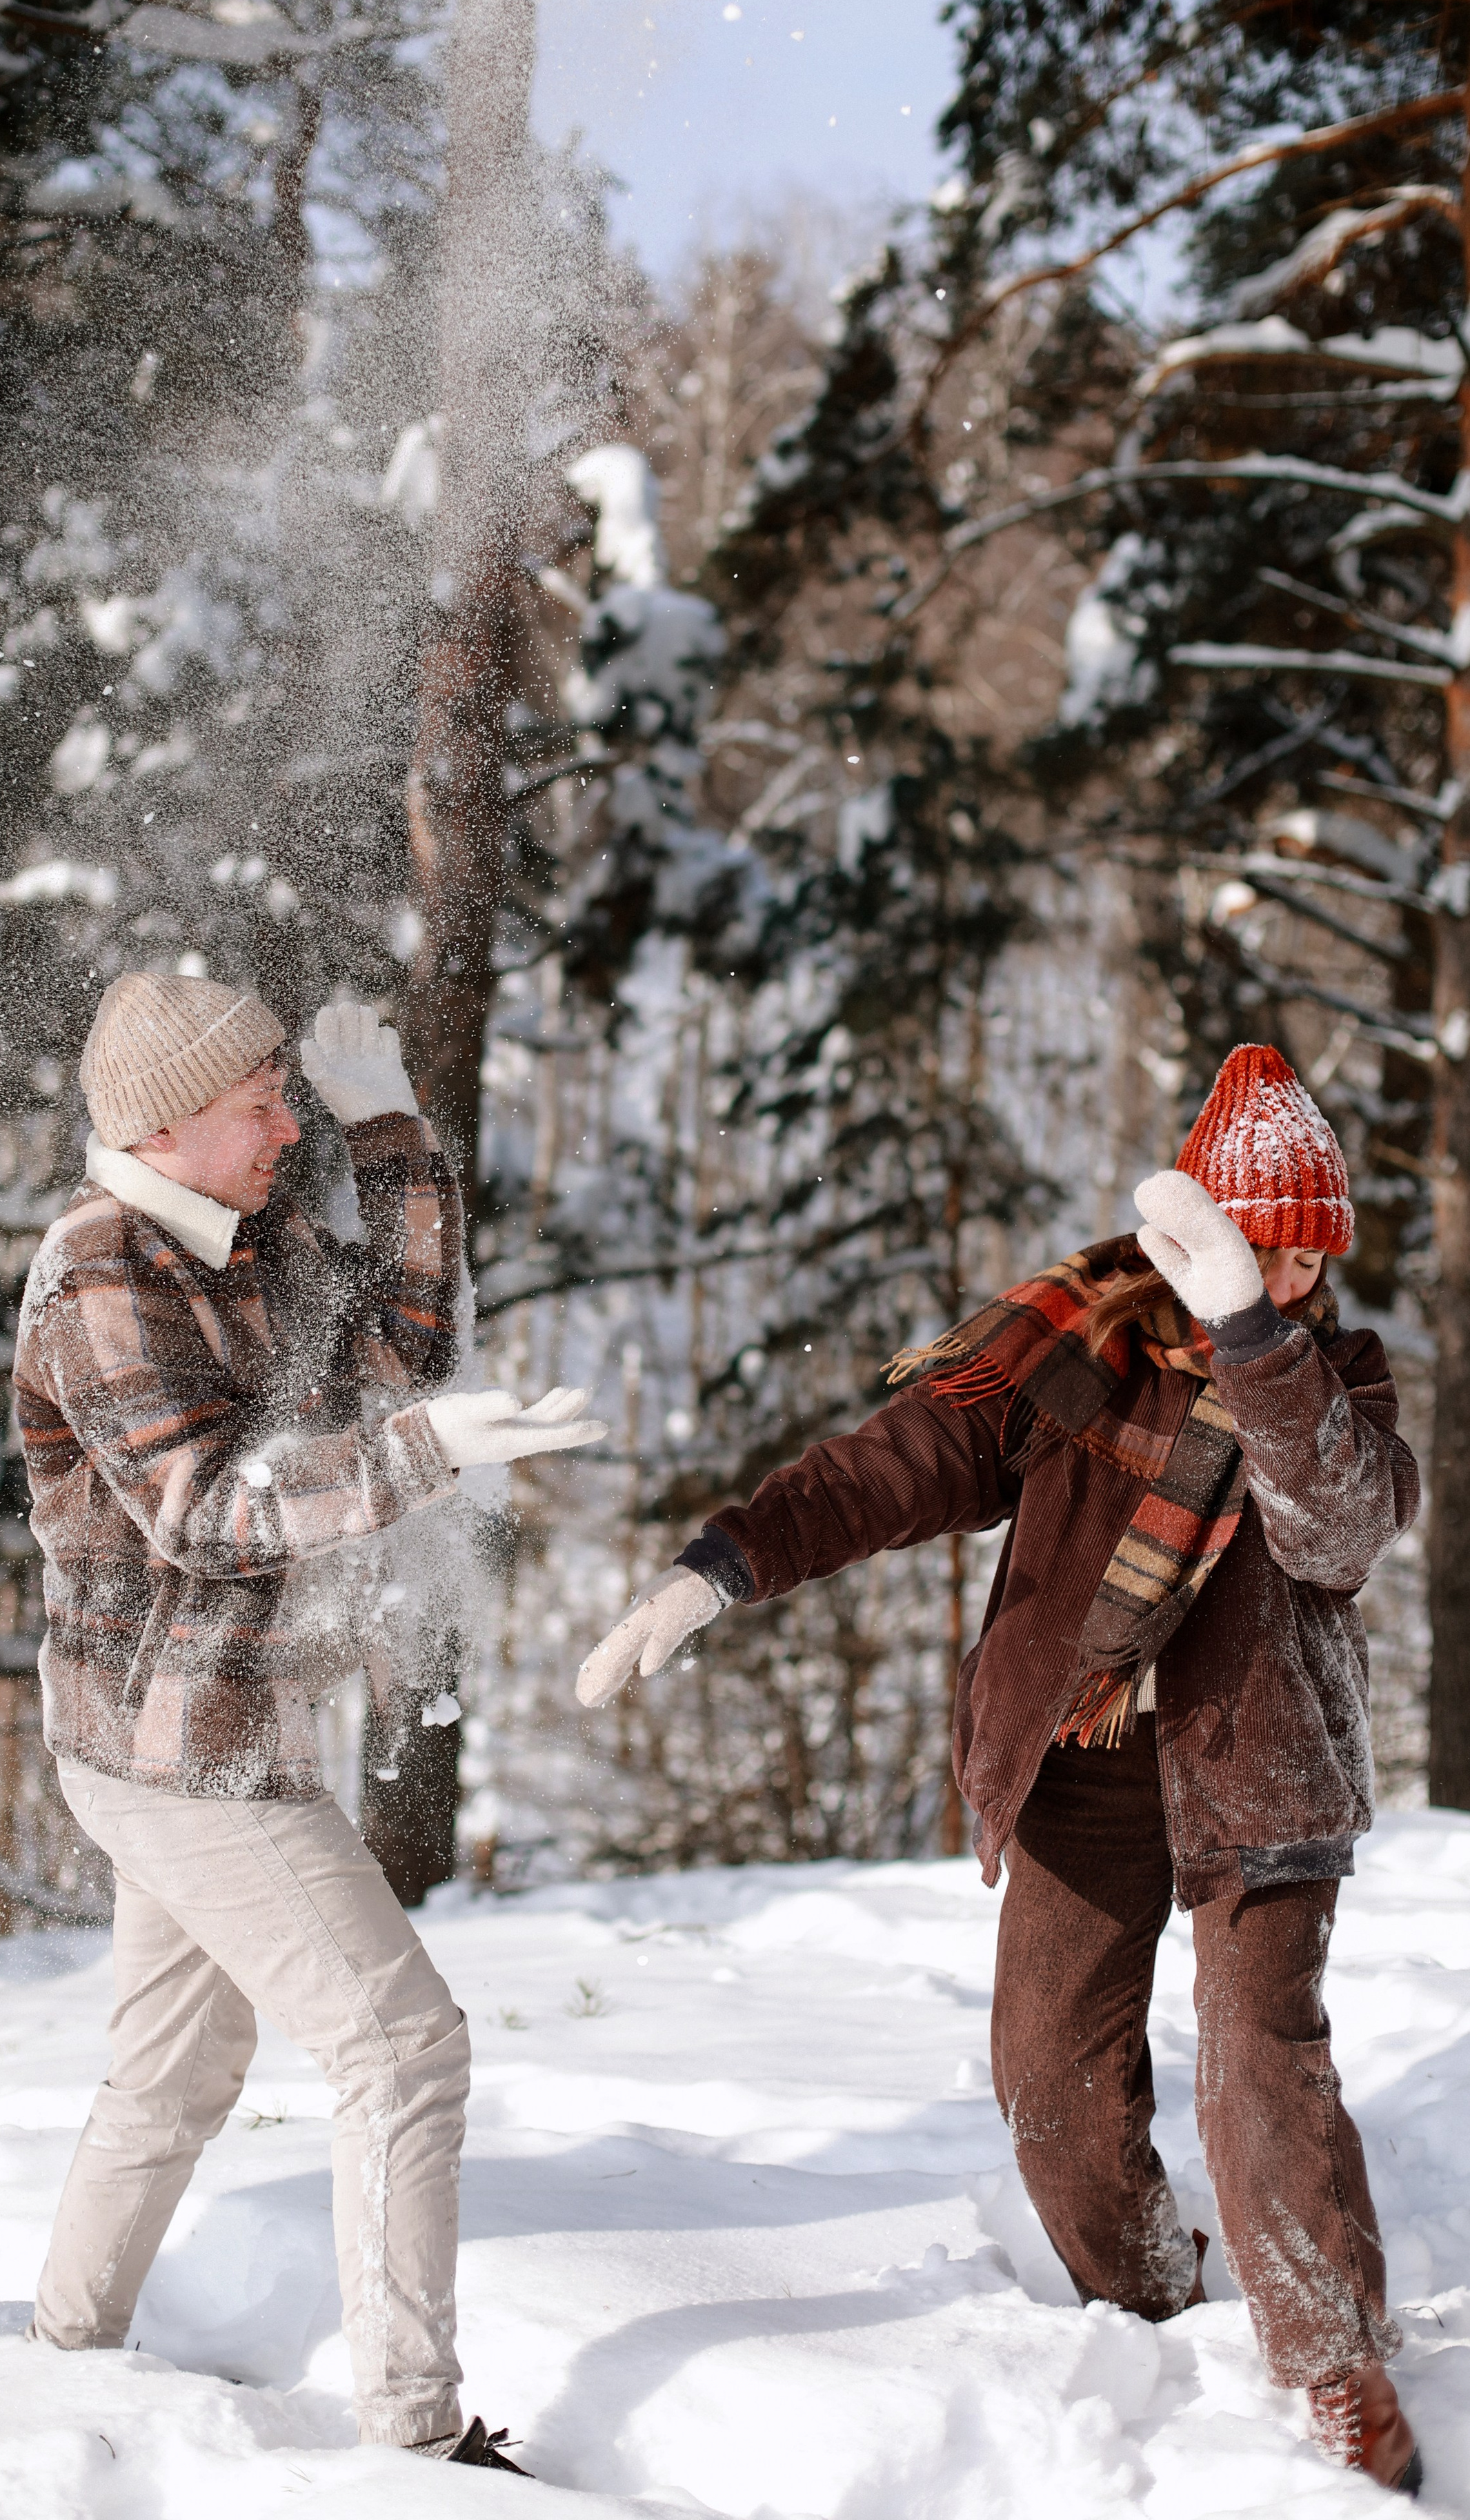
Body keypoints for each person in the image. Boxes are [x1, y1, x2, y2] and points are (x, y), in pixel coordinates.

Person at [577, 1044, 1422, 2495]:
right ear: (1178, 1238)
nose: (1283, 1274)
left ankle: (1333, 2365)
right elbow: (880, 1469)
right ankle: (1146, 2297)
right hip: (1081, 1758)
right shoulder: (1064, 1349)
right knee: (1049, 2084)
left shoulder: (1333, 1374)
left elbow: (1334, 1530)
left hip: (1259, 1772)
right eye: (1247, 1248)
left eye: (1299, 1250)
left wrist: (1247, 1335)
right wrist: (718, 1569)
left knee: (1255, 2074)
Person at [14, 971, 605, 2470]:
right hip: (182, 1756)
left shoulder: (251, 1239)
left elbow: (402, 1349)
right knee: (403, 2052)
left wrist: (390, 1136)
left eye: (292, 1096)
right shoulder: (101, 1275)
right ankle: (414, 2444)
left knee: (174, 2076)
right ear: (158, 1127)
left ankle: (52, 2367)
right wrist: (416, 1455)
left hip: (209, 1735)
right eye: (258, 1105)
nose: (290, 1126)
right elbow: (204, 1513)